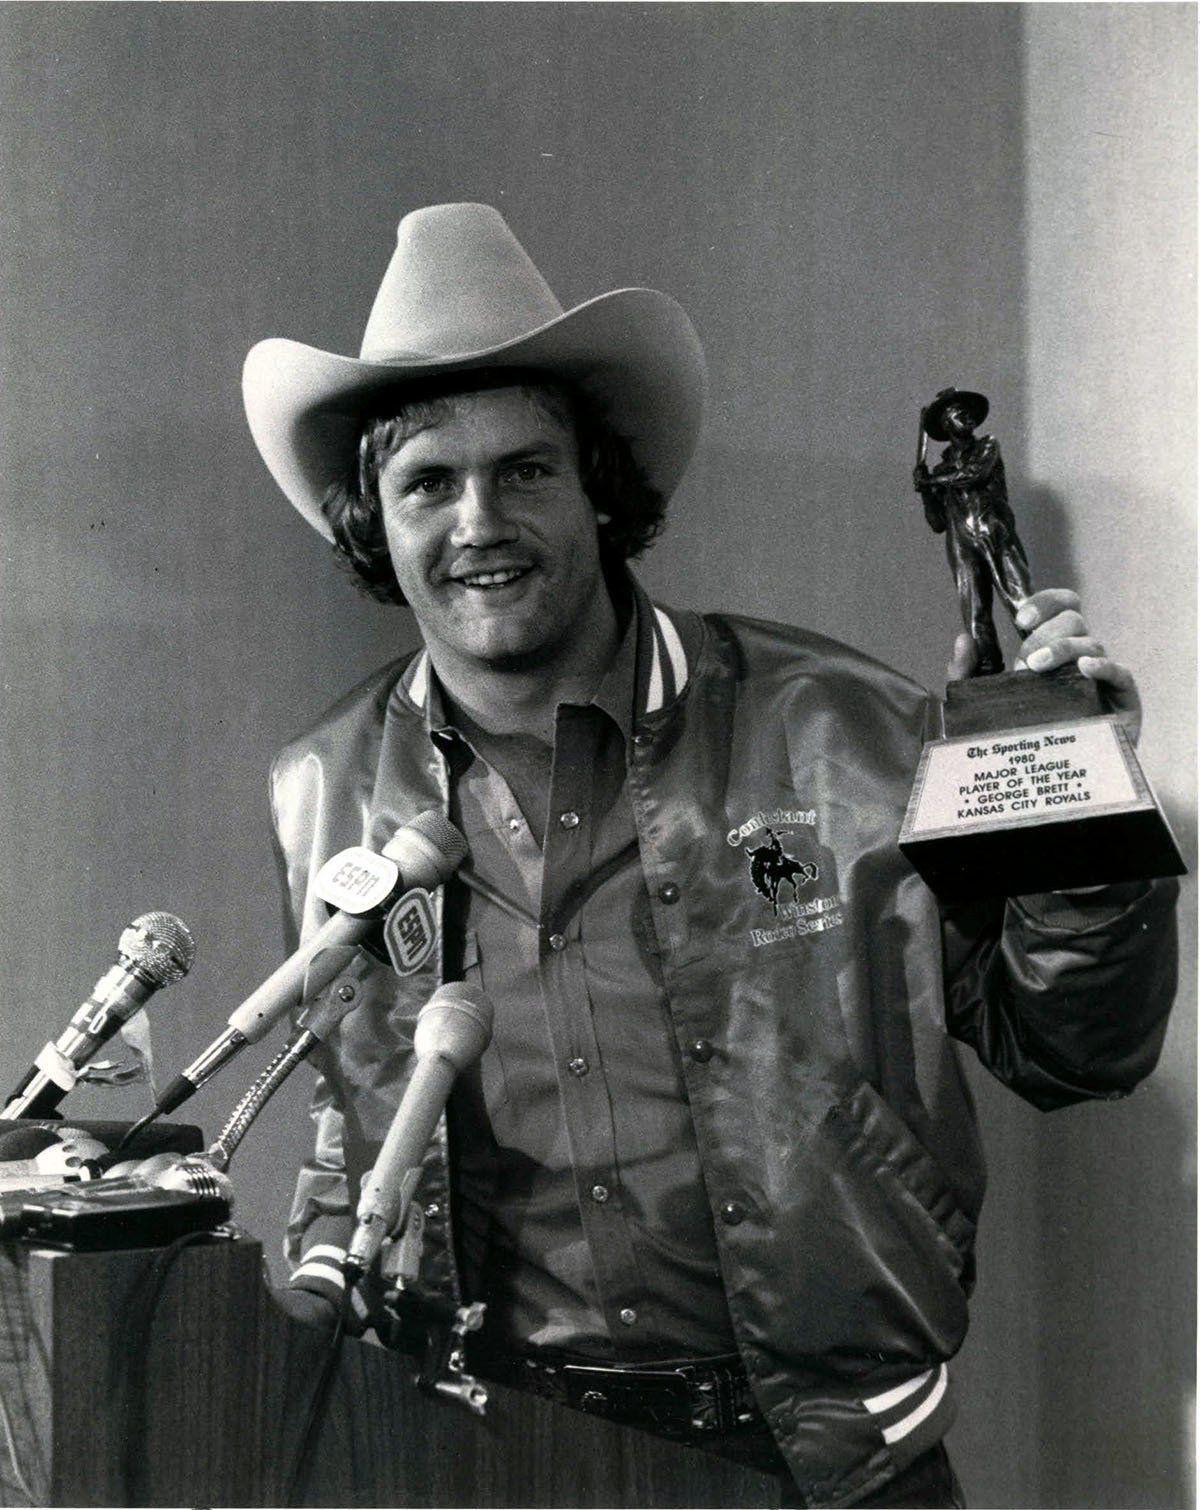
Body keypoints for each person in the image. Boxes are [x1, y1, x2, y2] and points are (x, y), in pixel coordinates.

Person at [242, 204, 1177, 1509]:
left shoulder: (846, 726)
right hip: (491, 1460)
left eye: (525, 470)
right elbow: (356, 1116)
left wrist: (1078, 811)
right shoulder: (321, 789)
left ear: (599, 489)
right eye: (426, 483)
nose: (477, 523)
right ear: (373, 522)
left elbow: (1079, 1047)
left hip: (832, 1468)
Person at [912, 389, 1032, 676]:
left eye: (968, 411)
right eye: (957, 412)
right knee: (975, 611)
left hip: (995, 531)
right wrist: (925, 493)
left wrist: (932, 480)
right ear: (945, 424)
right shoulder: (941, 468)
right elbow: (937, 523)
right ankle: (989, 671)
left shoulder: (987, 446)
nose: (966, 415)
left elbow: (972, 474)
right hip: (960, 541)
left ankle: (1047, 661)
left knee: (1020, 599)